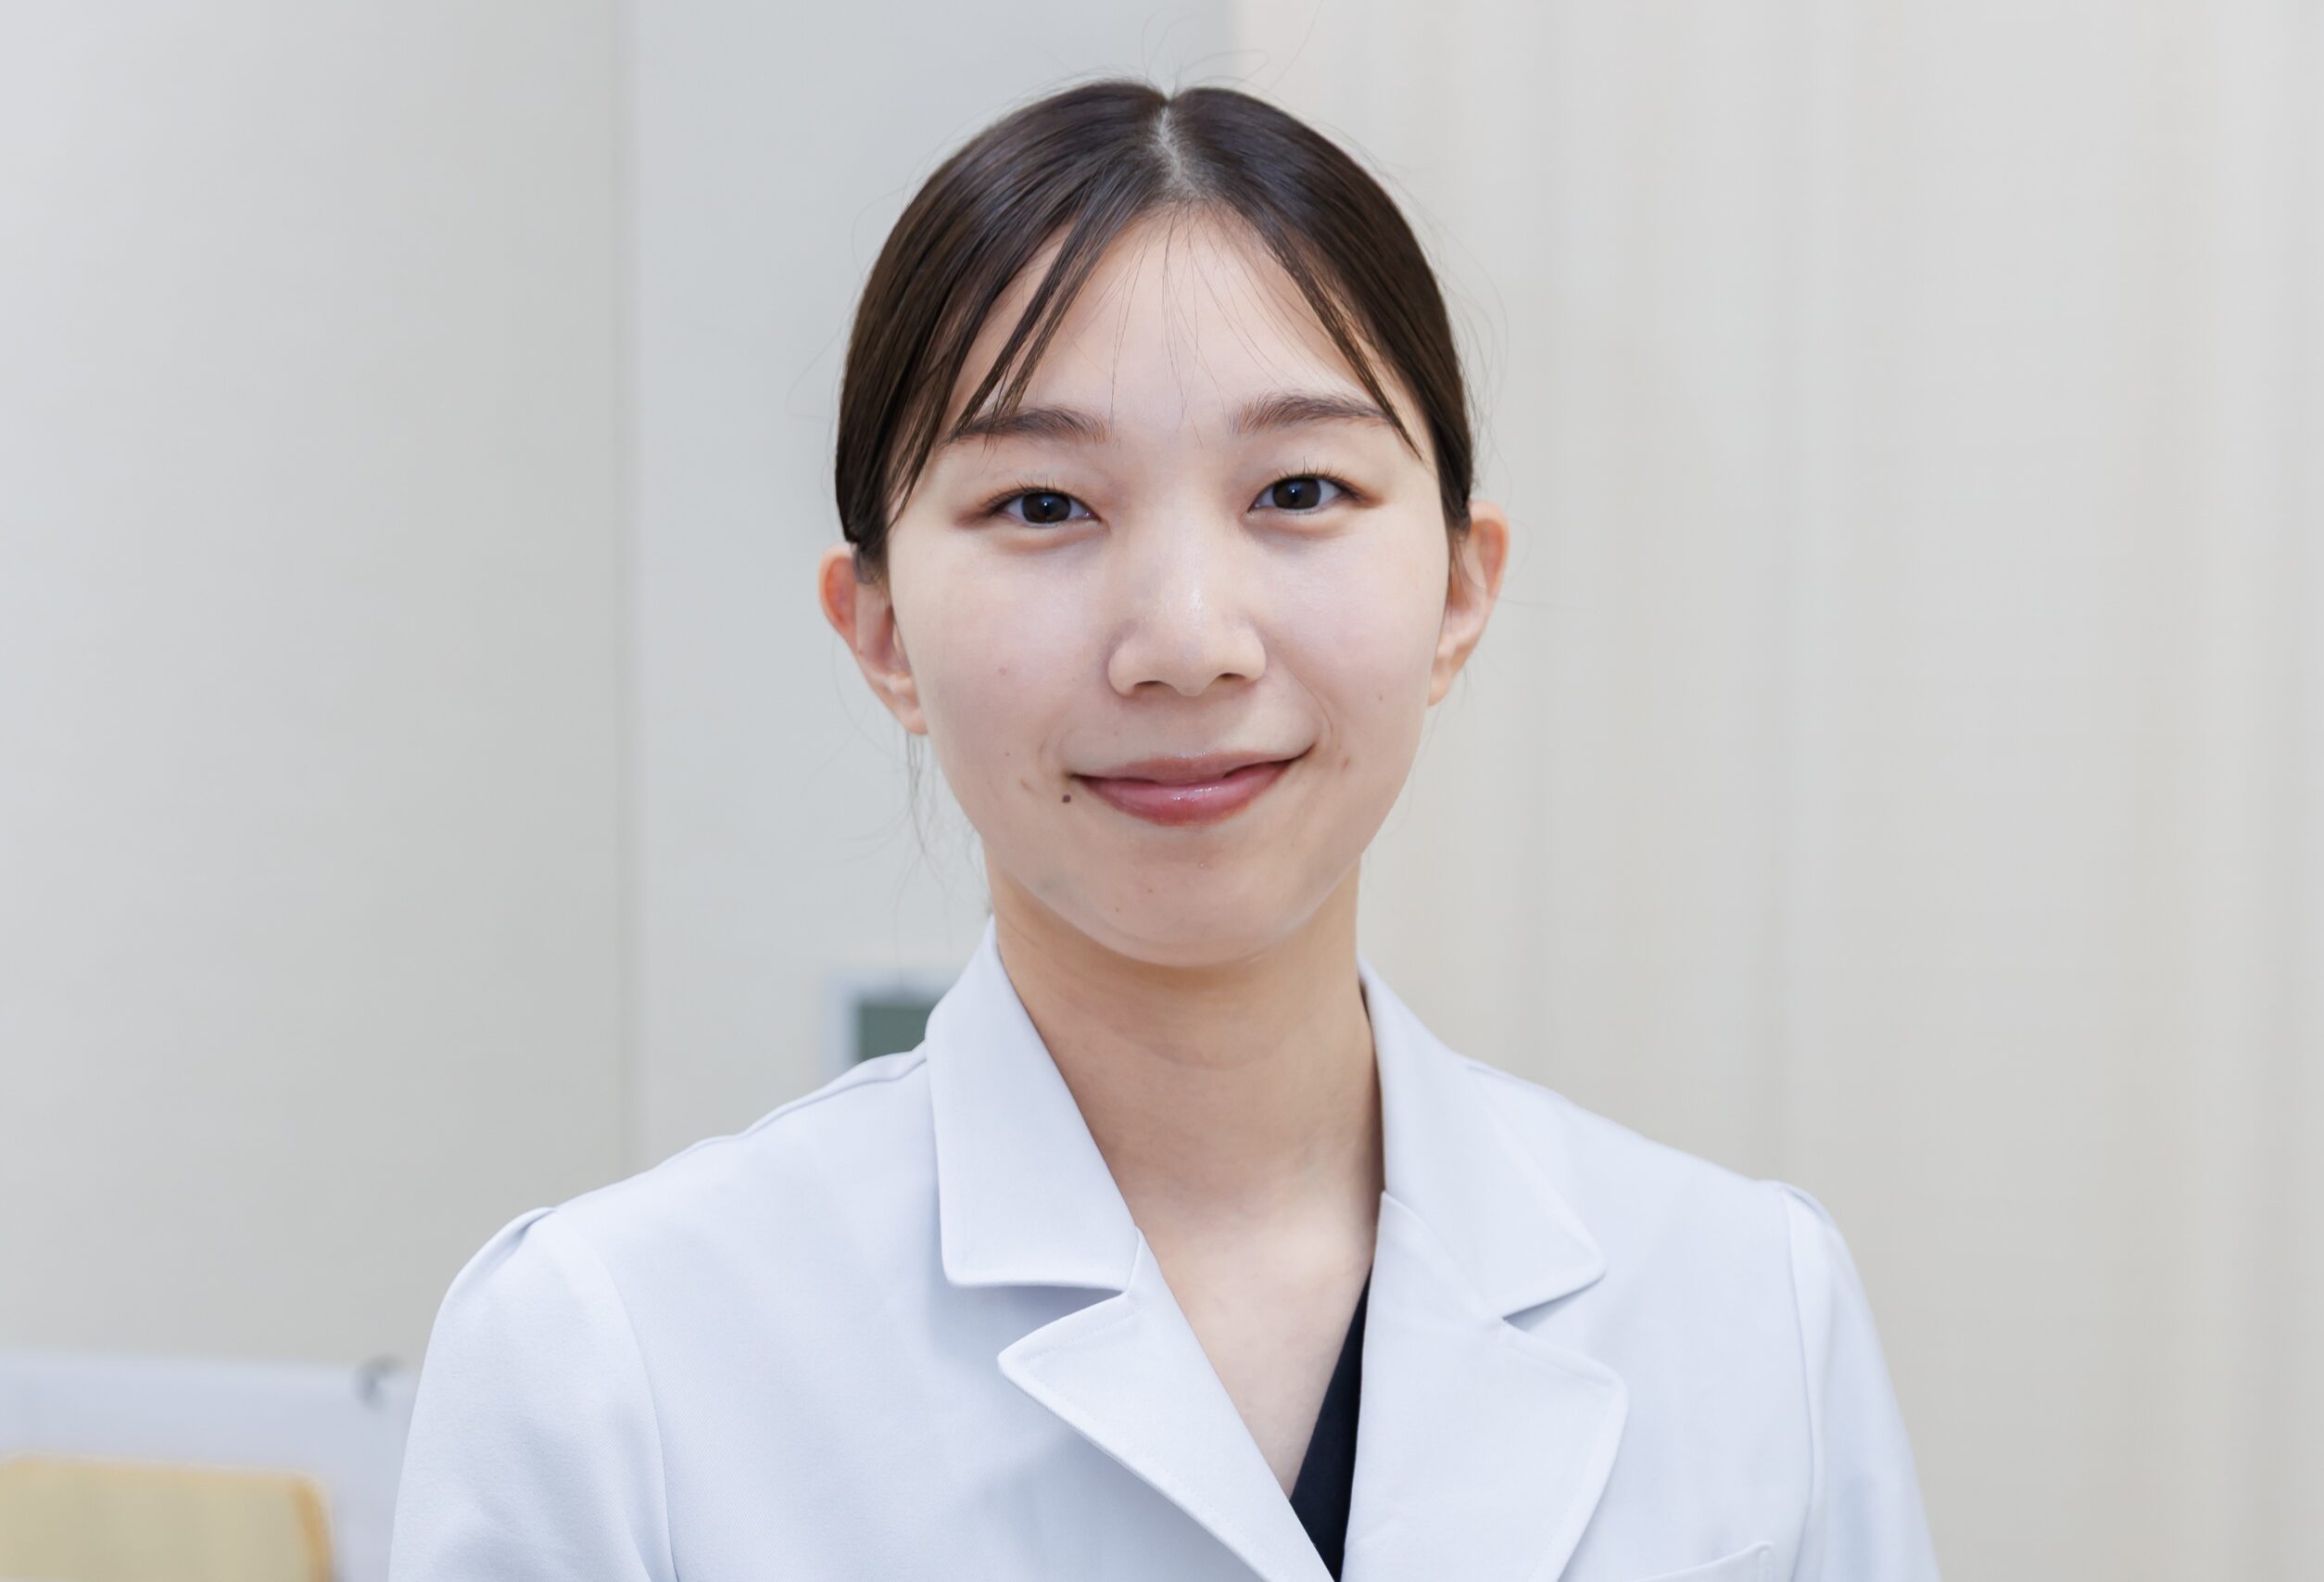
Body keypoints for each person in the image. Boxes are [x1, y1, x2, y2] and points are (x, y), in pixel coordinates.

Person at [388, 77, 1939, 1582]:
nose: (1189, 642)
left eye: (1301, 490)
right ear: (880, 632)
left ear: (1463, 592)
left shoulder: (1748, 1308)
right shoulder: (610, 1361)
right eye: (1043, 506)